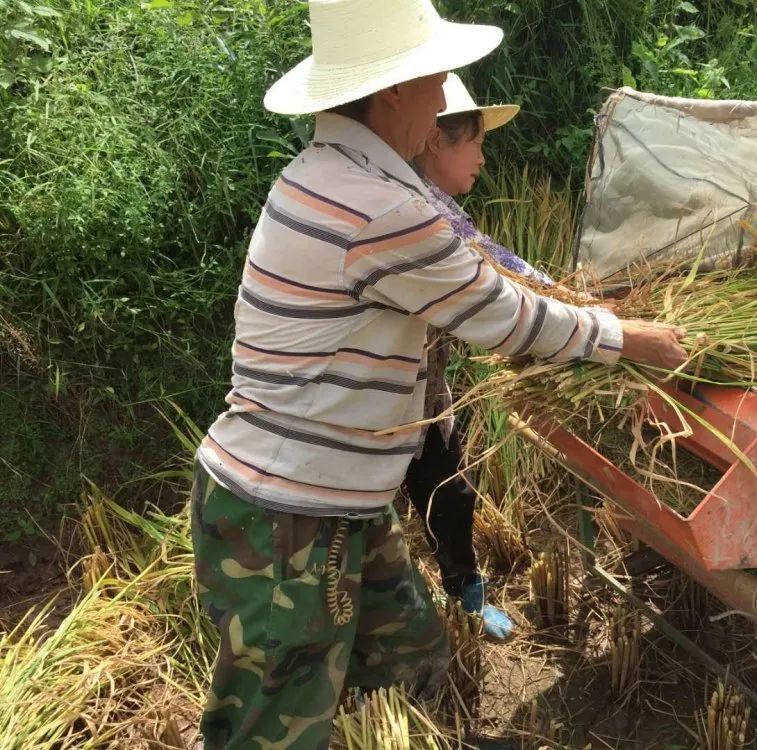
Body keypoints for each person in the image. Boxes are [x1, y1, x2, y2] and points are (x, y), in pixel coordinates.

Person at [190, 1, 687, 747]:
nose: (447, 87)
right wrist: (629, 338)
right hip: (290, 519)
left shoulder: (326, 171)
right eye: (439, 73)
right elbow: (509, 317)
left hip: (329, 503)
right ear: (394, 89)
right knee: (269, 728)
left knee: (409, 649)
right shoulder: (379, 206)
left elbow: (495, 286)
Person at [405, 74, 566, 643]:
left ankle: (467, 597)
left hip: (422, 396)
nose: (482, 157)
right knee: (409, 508)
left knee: (450, 496)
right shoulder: (421, 212)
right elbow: (497, 277)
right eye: (473, 141)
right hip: (385, 409)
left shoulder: (426, 199)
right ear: (434, 140)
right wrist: (586, 307)